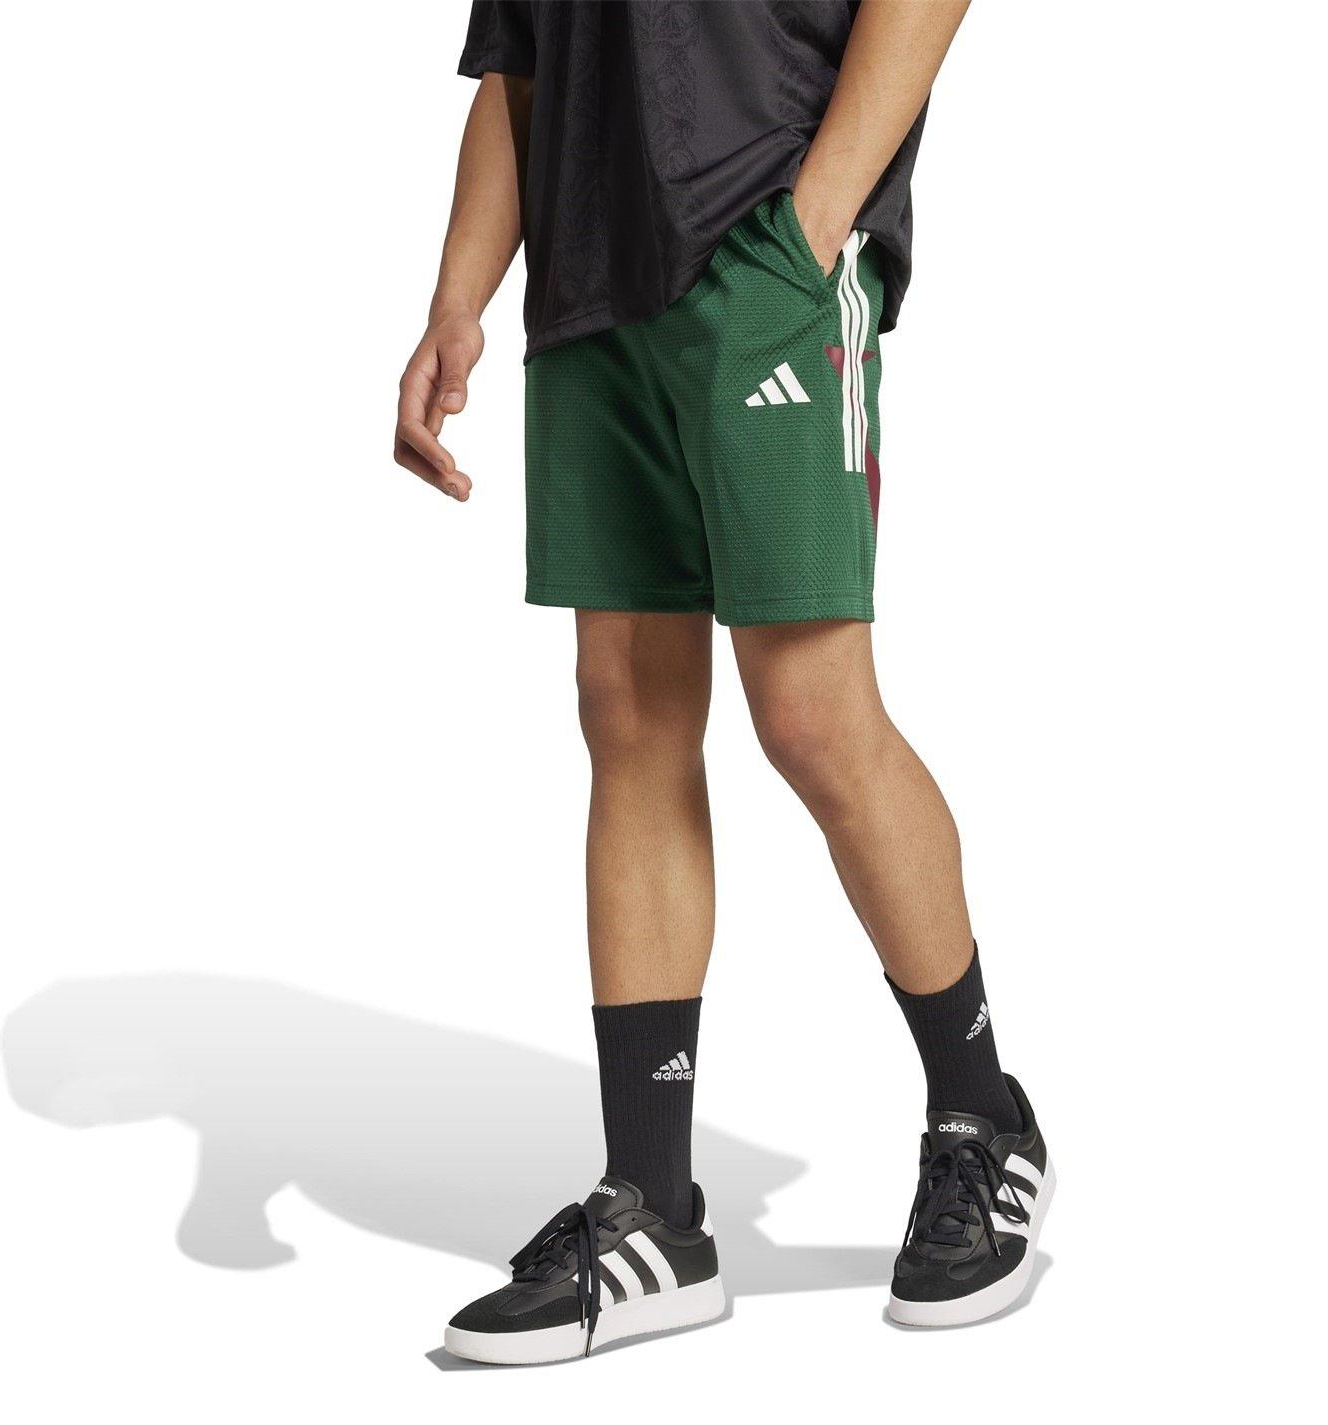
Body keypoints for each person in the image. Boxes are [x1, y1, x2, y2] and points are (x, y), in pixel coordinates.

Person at [396, 0, 1052, 1364]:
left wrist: (809, 230)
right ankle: (652, 1209)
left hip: (765, 252)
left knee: (810, 714)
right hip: (588, 286)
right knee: (627, 717)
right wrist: (458, 297)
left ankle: (981, 1113)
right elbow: (518, 64)